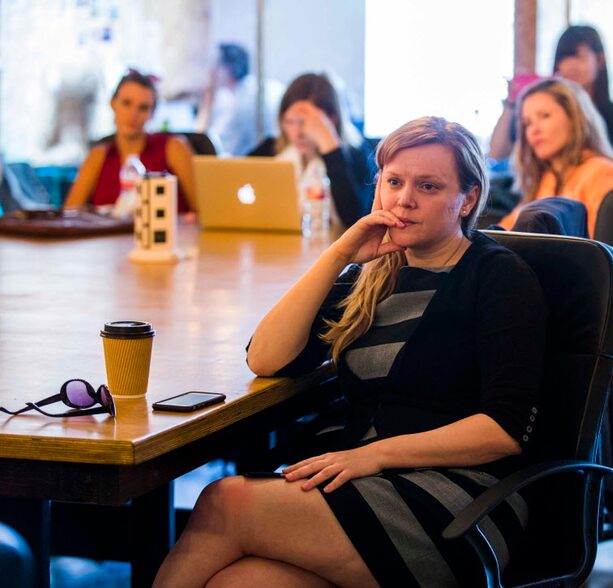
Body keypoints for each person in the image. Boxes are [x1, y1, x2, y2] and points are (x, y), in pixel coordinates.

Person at [153, 117, 546, 587]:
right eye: (394, 182)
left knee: (225, 503)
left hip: (459, 501)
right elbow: (265, 358)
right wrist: (338, 254)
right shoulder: (375, 275)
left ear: (467, 199)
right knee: (239, 583)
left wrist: (375, 455)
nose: (404, 199)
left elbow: (504, 430)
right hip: (365, 484)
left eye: (428, 186)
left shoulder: (499, 277)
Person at [489, 25, 613, 174]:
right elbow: (496, 153)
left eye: (579, 57)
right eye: (563, 58)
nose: (570, 66)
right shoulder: (537, 114)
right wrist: (511, 102)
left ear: (599, 59)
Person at [499, 77, 613, 236]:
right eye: (527, 123)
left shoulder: (602, 172)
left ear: (574, 118)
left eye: (545, 116)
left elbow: (597, 249)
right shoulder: (545, 178)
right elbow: (503, 235)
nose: (534, 130)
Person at [249, 72, 374, 227]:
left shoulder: (356, 155)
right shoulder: (272, 149)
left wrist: (330, 146)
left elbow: (353, 219)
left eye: (304, 122)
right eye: (289, 121)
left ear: (331, 120)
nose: (297, 132)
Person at [64, 70, 196, 212]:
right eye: (126, 103)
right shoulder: (98, 156)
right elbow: (69, 214)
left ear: (152, 113)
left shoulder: (174, 148)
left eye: (143, 108)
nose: (133, 115)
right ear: (113, 103)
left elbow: (204, 210)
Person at [195, 43, 281, 156]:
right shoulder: (251, 89)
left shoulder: (242, 102)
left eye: (214, 66)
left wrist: (207, 99)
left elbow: (205, 146)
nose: (210, 72)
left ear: (228, 68)